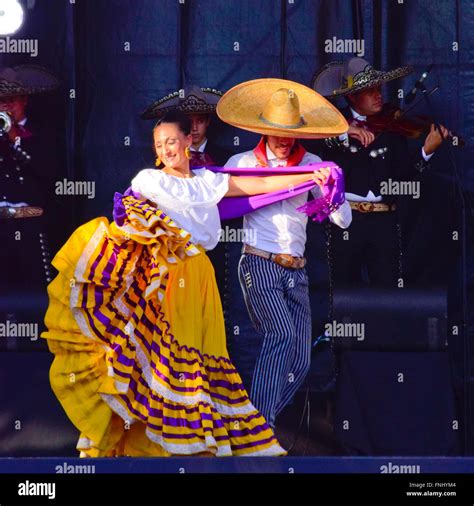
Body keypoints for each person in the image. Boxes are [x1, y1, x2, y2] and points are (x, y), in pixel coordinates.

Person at [41, 110, 332, 457]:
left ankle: (194, 446)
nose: (166, 149)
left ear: (188, 141)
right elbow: (132, 214)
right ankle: (156, 448)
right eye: (160, 144)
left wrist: (308, 176)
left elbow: (262, 183)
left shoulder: (207, 182)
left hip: (201, 278)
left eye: (172, 142)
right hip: (168, 278)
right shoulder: (150, 179)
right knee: (168, 359)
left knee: (204, 359)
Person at [217, 78, 352, 428]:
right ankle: (258, 429)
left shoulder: (313, 164)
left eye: (289, 131)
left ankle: (257, 418)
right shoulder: (242, 162)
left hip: (297, 271)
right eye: (276, 130)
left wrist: (328, 189)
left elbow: (343, 220)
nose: (282, 138)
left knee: (301, 360)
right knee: (282, 335)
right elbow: (213, 200)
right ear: (263, 128)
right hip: (259, 263)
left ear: (299, 132)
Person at [309, 57, 448, 287]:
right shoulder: (332, 123)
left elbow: (403, 175)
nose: (378, 95)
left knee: (388, 290)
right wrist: (346, 132)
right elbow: (312, 146)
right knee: (343, 292)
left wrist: (426, 151)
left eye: (379, 89)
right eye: (369, 91)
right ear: (351, 96)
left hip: (384, 221)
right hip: (347, 222)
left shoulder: (392, 125)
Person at [0, 65, 60, 299]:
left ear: (24, 99)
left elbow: (49, 172)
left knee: (34, 298)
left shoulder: (43, 133)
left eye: (10, 100)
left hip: (29, 227)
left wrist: (15, 140)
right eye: (0, 100)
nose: (5, 106)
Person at [141, 85, 232, 166]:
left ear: (207, 121)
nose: (194, 128)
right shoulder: (167, 159)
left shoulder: (225, 157)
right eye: (190, 122)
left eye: (200, 121)